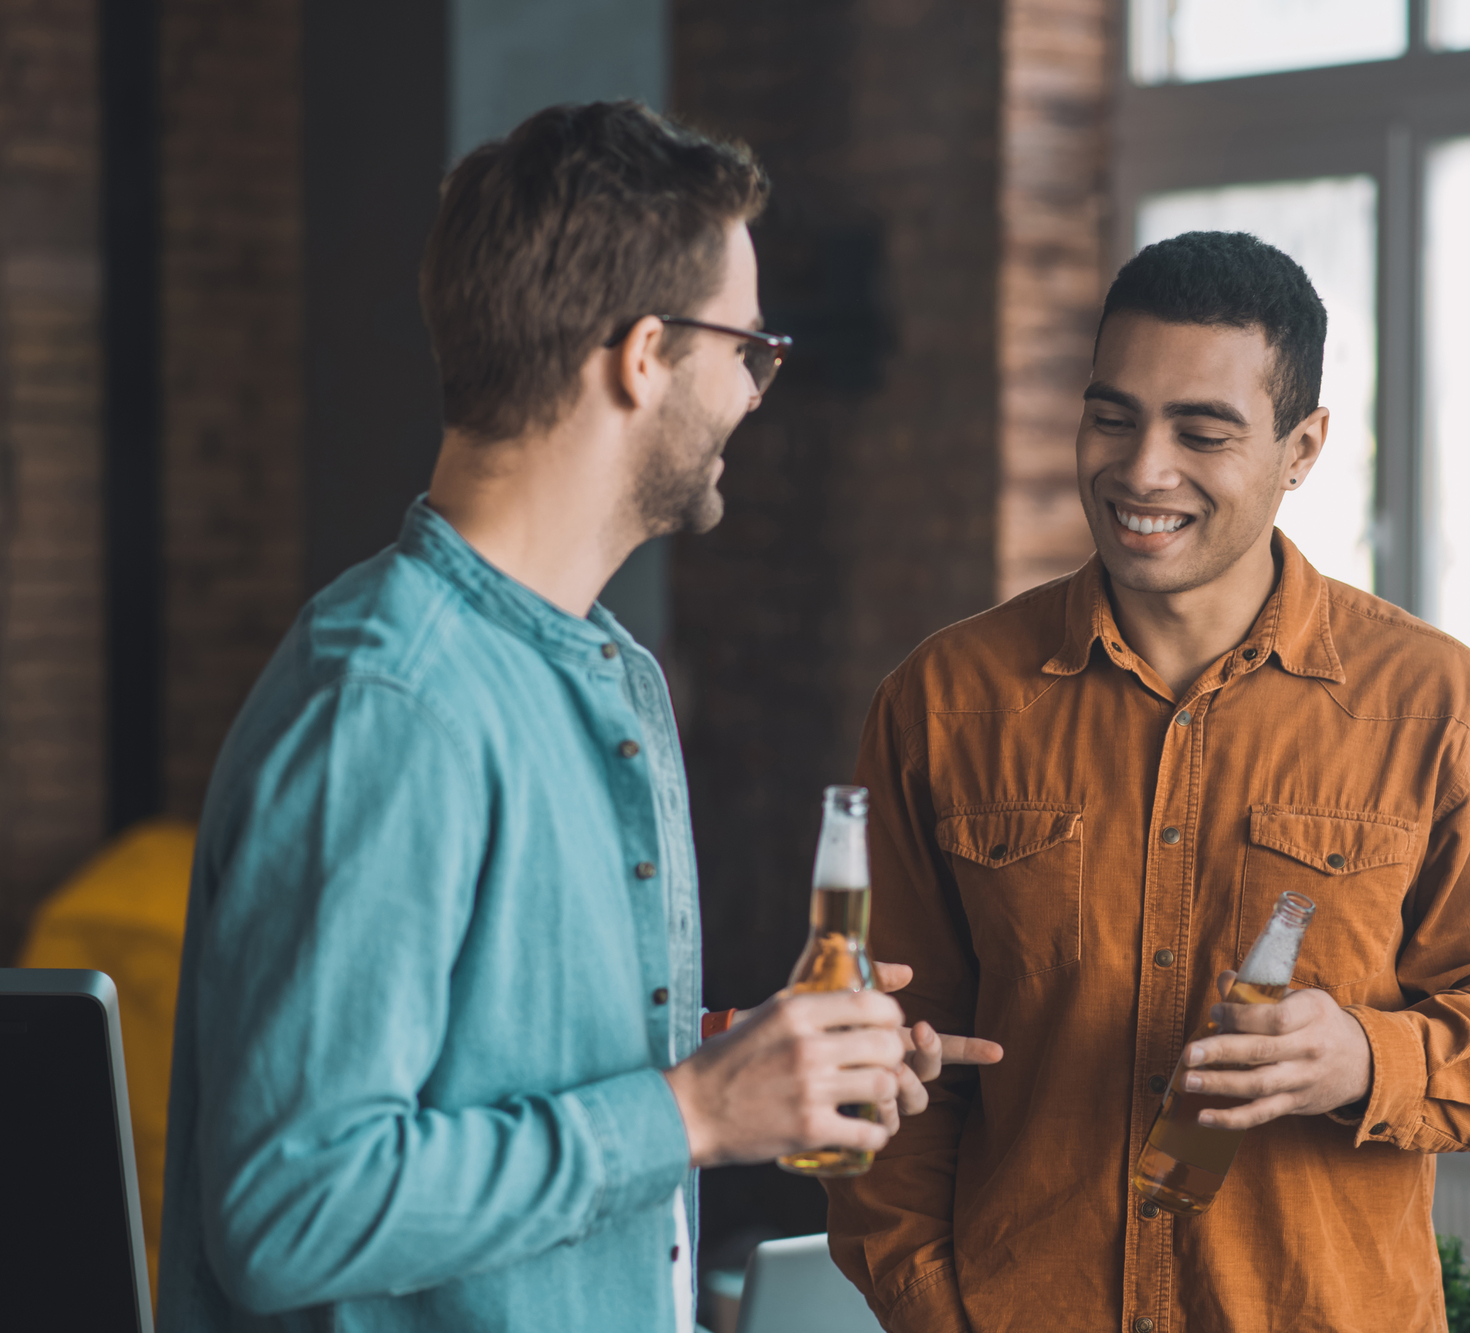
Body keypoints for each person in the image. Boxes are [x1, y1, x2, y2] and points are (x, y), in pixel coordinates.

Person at [157, 102, 995, 1333]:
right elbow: (293, 1207)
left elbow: (489, 1063)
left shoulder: (608, 670)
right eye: (747, 350)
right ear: (643, 354)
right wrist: (696, 1111)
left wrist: (748, 1065)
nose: (755, 395)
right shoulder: (391, 703)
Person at [825, 231, 1470, 1332]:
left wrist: (1364, 1057)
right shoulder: (945, 702)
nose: (1142, 469)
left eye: (1202, 431)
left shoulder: (1445, 715)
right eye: (1112, 415)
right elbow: (878, 1056)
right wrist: (925, 1305)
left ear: (1301, 448)